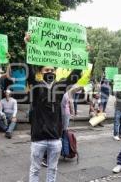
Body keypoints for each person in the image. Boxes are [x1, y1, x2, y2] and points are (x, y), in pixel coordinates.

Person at [25, 34, 82, 182]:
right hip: (38, 139)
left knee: (53, 169)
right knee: (35, 169)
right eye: (46, 70)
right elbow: (29, 73)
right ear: (40, 73)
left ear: (55, 72)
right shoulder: (37, 87)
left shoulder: (59, 87)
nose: (49, 72)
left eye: (51, 70)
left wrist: (83, 53)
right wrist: (28, 46)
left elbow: (73, 76)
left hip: (55, 139)